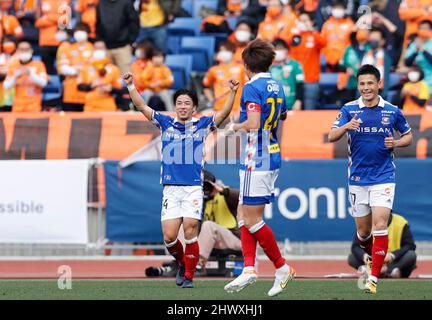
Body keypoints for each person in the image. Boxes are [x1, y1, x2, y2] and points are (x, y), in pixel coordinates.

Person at [123, 71, 240, 288]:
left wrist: (232, 92)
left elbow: (223, 114)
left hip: (193, 188)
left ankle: (188, 277)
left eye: (187, 103)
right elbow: (142, 107)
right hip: (170, 189)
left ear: (194, 108)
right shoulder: (165, 123)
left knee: (190, 230)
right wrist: (131, 86)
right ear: (175, 106)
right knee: (169, 238)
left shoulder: (202, 125)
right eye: (179, 103)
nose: (183, 106)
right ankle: (182, 261)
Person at [328, 64, 413, 294]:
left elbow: (408, 136)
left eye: (370, 83)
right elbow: (331, 136)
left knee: (380, 224)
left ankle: (373, 277)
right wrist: (346, 126)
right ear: (358, 85)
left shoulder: (392, 111)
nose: (366, 88)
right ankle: (371, 259)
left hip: (384, 176)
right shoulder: (348, 109)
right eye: (362, 84)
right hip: (357, 178)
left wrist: (395, 143)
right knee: (364, 233)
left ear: (379, 84)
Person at [223, 39, 295, 298]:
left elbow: (252, 123)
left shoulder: (252, 88)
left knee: (252, 219)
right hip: (270, 153)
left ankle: (281, 266)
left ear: (246, 65)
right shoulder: (277, 86)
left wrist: (235, 126)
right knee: (243, 212)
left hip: (257, 158)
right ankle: (249, 267)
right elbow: (283, 117)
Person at [348, 211, 417, 279]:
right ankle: (389, 272)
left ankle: (382, 270)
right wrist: (365, 256)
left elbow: (410, 245)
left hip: (394, 261)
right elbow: (355, 247)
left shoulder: (401, 222)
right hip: (373, 260)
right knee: (351, 258)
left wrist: (392, 256)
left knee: (411, 255)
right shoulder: (366, 222)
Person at [286, 13, 326, 110]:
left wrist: (312, 31)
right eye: (301, 20)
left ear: (311, 22)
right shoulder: (293, 36)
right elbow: (283, 44)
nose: (304, 23)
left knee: (309, 111)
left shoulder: (314, 35)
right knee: (293, 110)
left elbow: (324, 43)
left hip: (310, 80)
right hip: (294, 81)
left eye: (306, 20)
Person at [203, 40, 246, 116]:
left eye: (225, 50)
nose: (223, 53)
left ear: (232, 52)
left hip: (237, 109)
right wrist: (211, 99)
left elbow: (247, 87)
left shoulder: (241, 68)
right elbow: (205, 86)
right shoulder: (213, 69)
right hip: (219, 109)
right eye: (221, 51)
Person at [77, 41, 123, 112]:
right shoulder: (86, 67)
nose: (98, 50)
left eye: (101, 48)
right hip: (90, 106)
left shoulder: (114, 69)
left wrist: (110, 89)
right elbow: (79, 86)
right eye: (96, 48)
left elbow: (120, 90)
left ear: (106, 50)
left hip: (108, 106)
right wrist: (91, 86)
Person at [96, 0, 139, 74]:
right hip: (106, 47)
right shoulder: (100, 4)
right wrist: (100, 40)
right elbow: (98, 24)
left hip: (123, 47)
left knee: (128, 78)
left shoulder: (126, 2)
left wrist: (130, 40)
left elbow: (134, 22)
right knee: (107, 77)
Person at [58, 22, 94, 112]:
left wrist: (79, 69)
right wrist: (74, 70)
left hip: (88, 93)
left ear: (88, 33)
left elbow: (96, 69)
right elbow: (63, 68)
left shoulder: (93, 49)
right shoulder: (68, 49)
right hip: (70, 93)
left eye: (82, 30)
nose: (79, 33)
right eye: (77, 31)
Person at [3, 40, 48, 112]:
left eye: (27, 49)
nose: (24, 51)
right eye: (22, 49)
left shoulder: (39, 64)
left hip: (34, 105)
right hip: (18, 105)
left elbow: (44, 83)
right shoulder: (13, 65)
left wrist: (31, 74)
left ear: (31, 50)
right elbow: (6, 85)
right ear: (17, 51)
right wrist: (15, 77)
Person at [35, 0, 70, 75]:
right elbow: (38, 22)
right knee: (47, 69)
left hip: (61, 41)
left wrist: (48, 17)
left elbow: (66, 20)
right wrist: (58, 18)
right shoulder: (41, 1)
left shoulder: (67, 1)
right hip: (45, 41)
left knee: (63, 68)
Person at [320, 0, 355, 72]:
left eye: (340, 8)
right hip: (328, 61)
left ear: (344, 9)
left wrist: (346, 58)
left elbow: (352, 44)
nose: (338, 10)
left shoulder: (350, 24)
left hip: (344, 62)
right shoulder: (327, 24)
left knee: (343, 82)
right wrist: (324, 57)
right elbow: (322, 42)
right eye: (336, 7)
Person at [270, 38, 304, 111]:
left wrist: (298, 101)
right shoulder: (268, 66)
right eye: (276, 49)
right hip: (272, 106)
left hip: (290, 104)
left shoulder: (295, 65)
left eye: (280, 48)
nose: (278, 51)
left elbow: (300, 84)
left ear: (286, 50)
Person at [361, 27, 392, 100]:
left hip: (380, 93)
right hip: (363, 93)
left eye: (375, 39)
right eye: (371, 39)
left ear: (382, 41)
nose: (373, 41)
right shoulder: (364, 54)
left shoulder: (387, 56)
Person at [404, 20, 432, 95]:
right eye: (421, 28)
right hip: (416, 83)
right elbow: (407, 63)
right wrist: (416, 52)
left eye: (425, 28)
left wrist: (423, 50)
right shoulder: (414, 44)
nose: (422, 30)